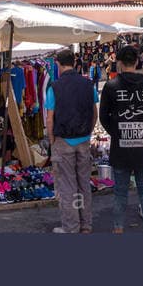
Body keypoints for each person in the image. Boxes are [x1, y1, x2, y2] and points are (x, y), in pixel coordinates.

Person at [99, 46, 143, 234]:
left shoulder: (111, 86)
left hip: (121, 148)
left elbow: (104, 117)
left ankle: (118, 229)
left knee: (120, 191)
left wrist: (117, 132)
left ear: (118, 62)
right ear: (137, 62)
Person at [46, 49, 97, 234]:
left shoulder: (55, 87)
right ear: (74, 63)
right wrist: (89, 132)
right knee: (84, 182)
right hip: (83, 139)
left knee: (67, 186)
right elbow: (94, 113)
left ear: (59, 64)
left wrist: (51, 139)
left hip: (63, 140)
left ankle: (71, 227)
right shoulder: (88, 84)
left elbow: (50, 118)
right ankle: (85, 225)